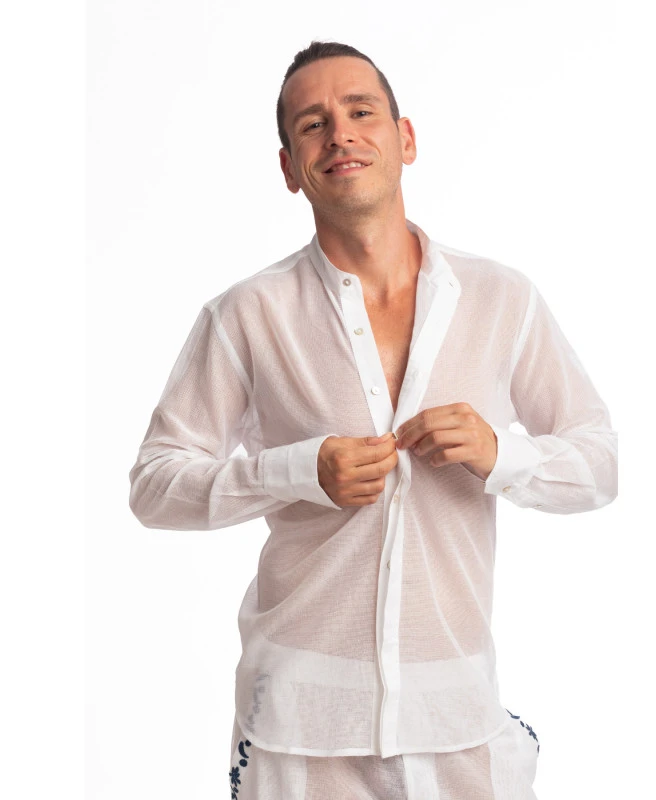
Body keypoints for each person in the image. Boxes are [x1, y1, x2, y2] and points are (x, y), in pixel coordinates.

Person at [128, 39, 618, 800]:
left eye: (361, 112)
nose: (340, 135)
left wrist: (500, 453)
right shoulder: (245, 315)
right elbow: (154, 486)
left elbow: (599, 463)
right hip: (298, 731)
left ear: (405, 138)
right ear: (290, 167)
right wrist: (297, 471)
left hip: (458, 722)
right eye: (313, 124)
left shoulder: (502, 299)